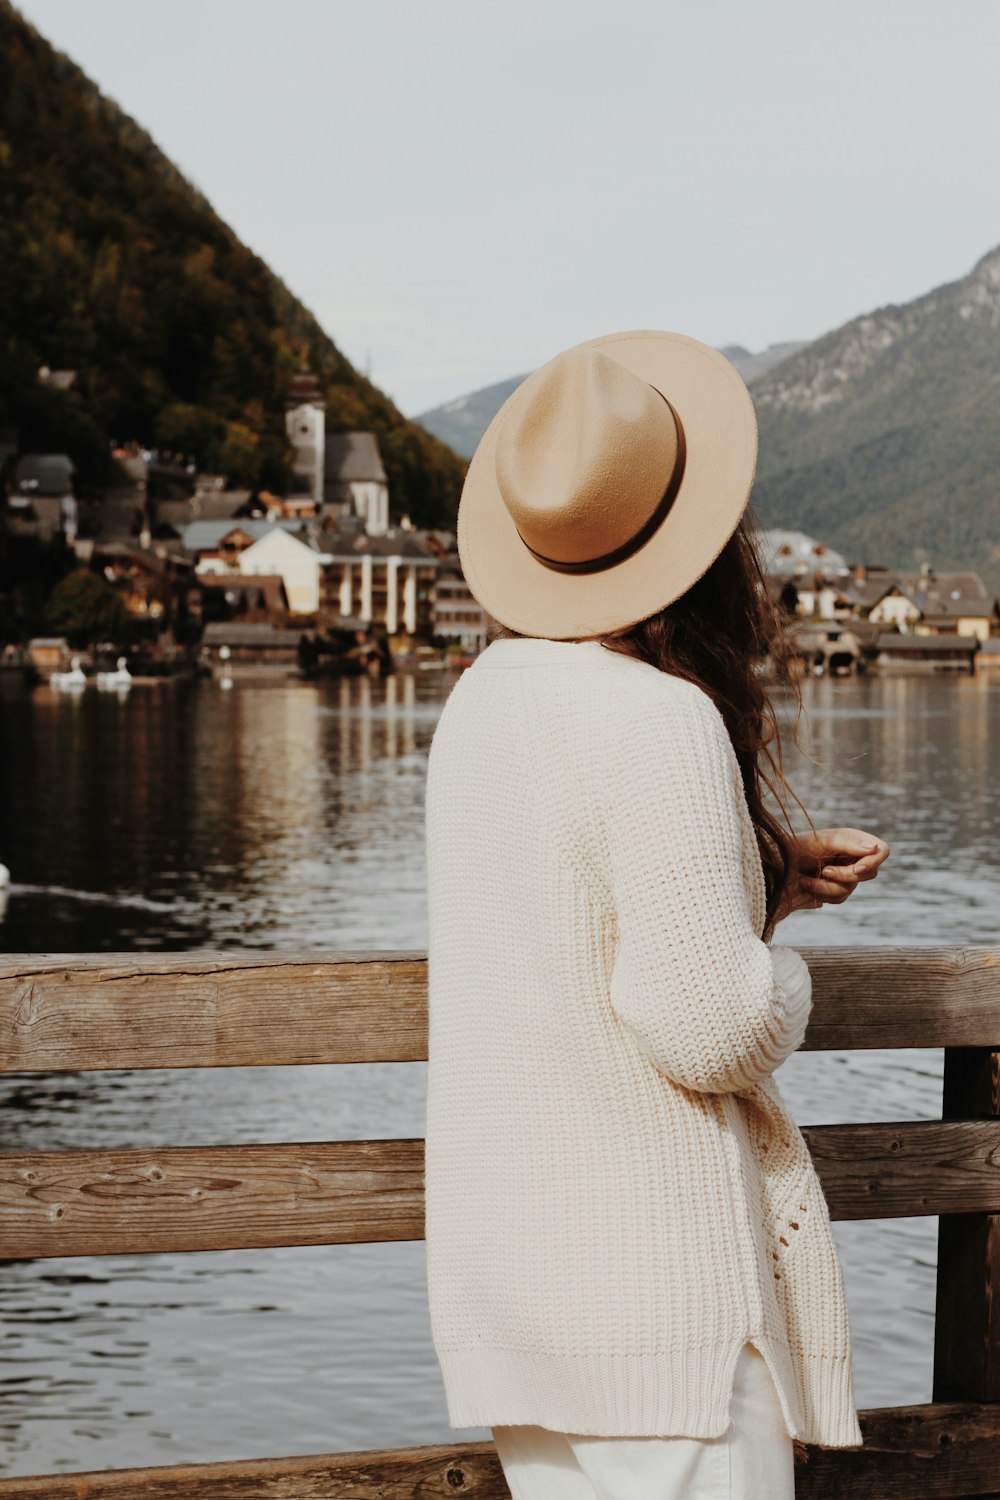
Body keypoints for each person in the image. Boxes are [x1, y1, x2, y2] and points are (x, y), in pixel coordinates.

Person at [423, 330, 890, 1500]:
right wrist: (782, 972)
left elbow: (566, 922)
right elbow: (713, 1029)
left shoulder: (480, 706)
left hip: (517, 1295)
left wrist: (756, 878)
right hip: (654, 1305)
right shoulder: (660, 720)